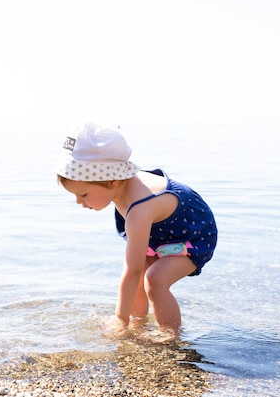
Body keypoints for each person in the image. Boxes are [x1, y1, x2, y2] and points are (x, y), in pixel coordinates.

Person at [55, 122, 217, 341]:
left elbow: (131, 269)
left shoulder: (140, 208)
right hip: (161, 233)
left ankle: (171, 337)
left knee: (154, 279)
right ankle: (137, 323)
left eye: (83, 195)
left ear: (111, 181)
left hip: (193, 233)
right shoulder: (120, 187)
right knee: (141, 276)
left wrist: (118, 319)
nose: (78, 202)